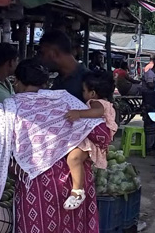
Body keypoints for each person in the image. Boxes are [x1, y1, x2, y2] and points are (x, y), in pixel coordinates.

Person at [0, 59, 112, 232]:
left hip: (36, 188)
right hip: (75, 186)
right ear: (45, 83)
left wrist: (12, 167)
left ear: (16, 81)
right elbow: (102, 135)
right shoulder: (68, 101)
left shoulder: (6, 111)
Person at [63, 70, 118, 210]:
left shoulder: (96, 103)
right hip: (93, 141)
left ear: (92, 93)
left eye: (84, 91)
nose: (83, 94)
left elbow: (97, 112)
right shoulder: (106, 103)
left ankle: (77, 191)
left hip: (91, 142)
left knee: (73, 159)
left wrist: (79, 113)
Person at [39, 30, 87, 100]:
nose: (41, 59)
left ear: (53, 53)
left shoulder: (89, 81)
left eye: (43, 53)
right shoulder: (58, 80)